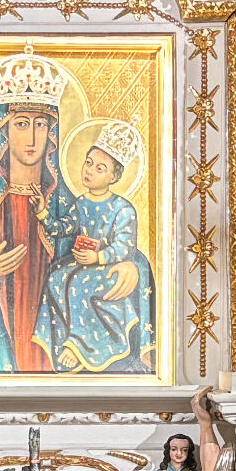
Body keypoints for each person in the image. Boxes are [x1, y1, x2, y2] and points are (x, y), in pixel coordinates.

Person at [0, 47, 141, 374]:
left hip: (52, 350)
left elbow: (111, 243)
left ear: (52, 134)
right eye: (21, 124)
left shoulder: (66, 203)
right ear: (3, 130)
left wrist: (132, 267)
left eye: (41, 125)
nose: (32, 137)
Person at [28, 118, 155, 372]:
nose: (90, 170)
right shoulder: (82, 203)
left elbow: (125, 247)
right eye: (88, 162)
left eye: (100, 168)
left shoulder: (123, 208)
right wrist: (42, 212)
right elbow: (63, 228)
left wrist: (98, 258)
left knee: (79, 284)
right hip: (84, 264)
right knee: (55, 278)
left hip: (109, 268)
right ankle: (62, 341)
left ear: (113, 176)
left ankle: (78, 345)